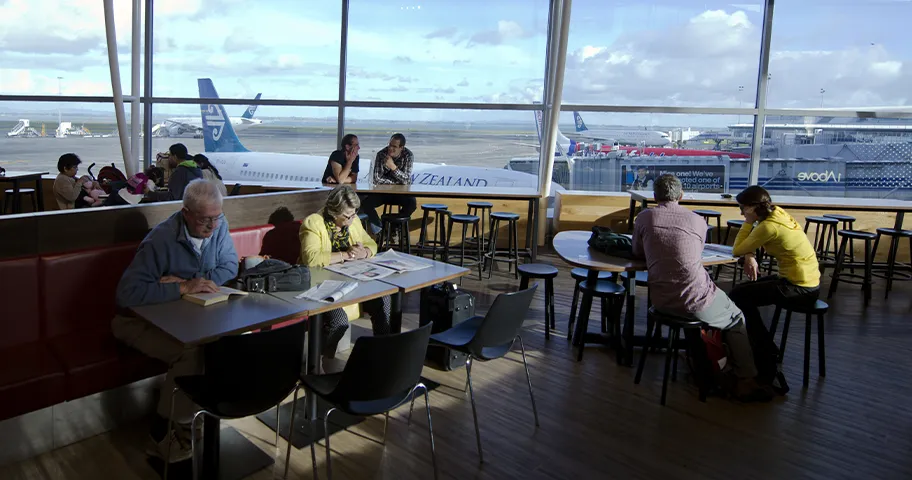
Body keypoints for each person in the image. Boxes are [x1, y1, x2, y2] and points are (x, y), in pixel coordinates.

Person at [111, 179, 238, 463]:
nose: (213, 227)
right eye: (205, 220)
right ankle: (163, 432)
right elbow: (126, 294)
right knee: (193, 352)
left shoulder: (219, 225)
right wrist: (182, 289)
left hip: (189, 319)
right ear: (186, 213)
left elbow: (230, 265)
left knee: (223, 346)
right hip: (134, 322)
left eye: (217, 218)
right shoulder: (160, 239)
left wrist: (192, 283)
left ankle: (190, 418)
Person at [632, 174, 771, 401]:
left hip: (661, 301)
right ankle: (745, 379)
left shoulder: (644, 218)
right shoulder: (697, 221)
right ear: (681, 196)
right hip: (695, 301)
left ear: (655, 196)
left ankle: (707, 365)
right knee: (736, 317)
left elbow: (637, 252)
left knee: (702, 309)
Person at [299, 186, 391, 372]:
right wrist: (345, 254)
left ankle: (382, 356)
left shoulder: (354, 222)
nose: (352, 219)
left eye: (354, 214)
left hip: (350, 279)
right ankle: (322, 358)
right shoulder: (313, 223)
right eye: (347, 216)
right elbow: (311, 259)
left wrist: (364, 252)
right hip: (320, 284)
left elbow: (371, 243)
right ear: (334, 212)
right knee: (339, 320)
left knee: (384, 299)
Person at [729, 185, 821, 349]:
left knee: (738, 296)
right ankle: (758, 344)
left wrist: (748, 222)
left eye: (742, 208)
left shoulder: (768, 227)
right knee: (740, 290)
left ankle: (764, 347)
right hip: (808, 282)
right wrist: (749, 255)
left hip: (798, 287)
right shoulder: (778, 213)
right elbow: (749, 246)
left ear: (752, 207)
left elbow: (737, 249)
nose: (741, 213)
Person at [359, 133, 417, 234]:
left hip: (400, 194)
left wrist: (393, 167)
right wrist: (398, 182)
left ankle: (393, 228)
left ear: (401, 148)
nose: (390, 148)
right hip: (383, 193)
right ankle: (379, 230)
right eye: (390, 145)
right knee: (365, 203)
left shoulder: (408, 155)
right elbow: (377, 179)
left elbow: (407, 181)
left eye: (394, 146)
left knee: (412, 203)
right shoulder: (381, 154)